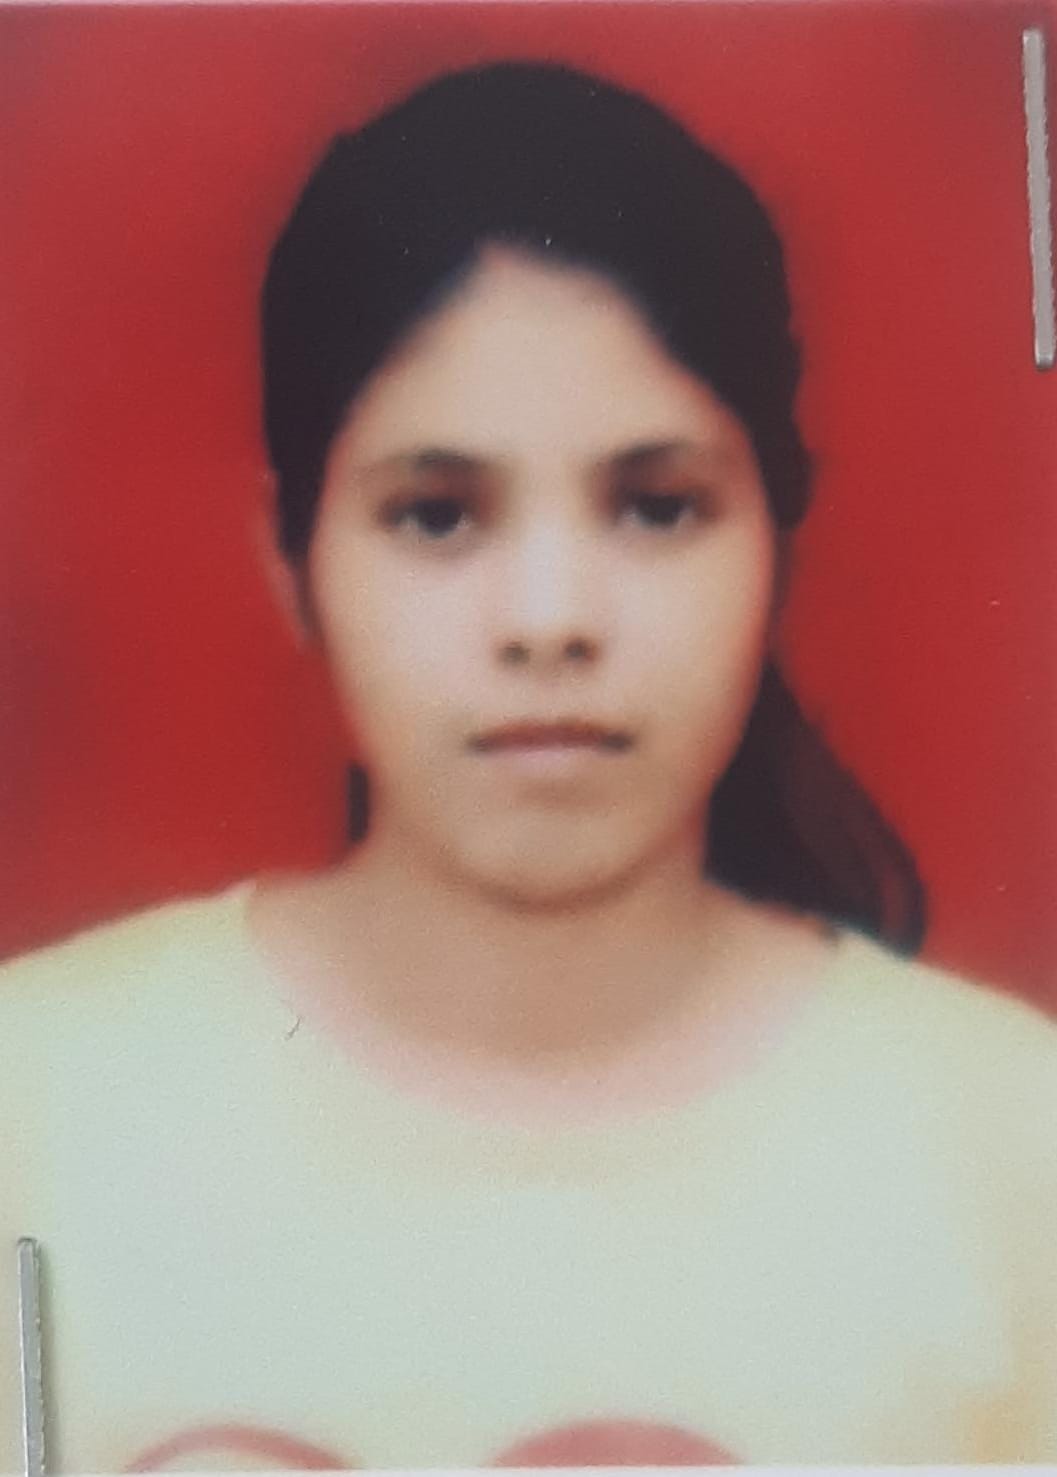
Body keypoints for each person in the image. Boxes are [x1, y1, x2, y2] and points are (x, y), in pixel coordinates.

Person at [1, 60, 1054, 1471]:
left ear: (775, 543)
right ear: (293, 558)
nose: (550, 618)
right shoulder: (39, 1105)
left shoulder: (1012, 1151)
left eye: (657, 506)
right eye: (438, 515)